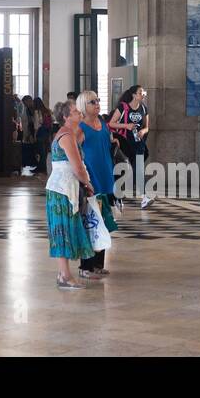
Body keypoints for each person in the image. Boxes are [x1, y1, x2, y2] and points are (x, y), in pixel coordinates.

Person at [44, 97, 95, 289]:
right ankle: (65, 276)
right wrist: (88, 183)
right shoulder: (66, 136)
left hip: (64, 188)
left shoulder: (69, 133)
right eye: (75, 112)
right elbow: (77, 167)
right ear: (66, 117)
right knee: (63, 230)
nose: (80, 114)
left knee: (65, 228)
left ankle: (63, 274)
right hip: (62, 190)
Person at [77, 91, 116, 280]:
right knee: (90, 223)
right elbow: (75, 154)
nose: (97, 104)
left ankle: (99, 265)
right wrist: (84, 180)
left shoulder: (103, 124)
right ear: (84, 106)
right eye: (93, 102)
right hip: (92, 181)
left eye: (98, 100)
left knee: (103, 223)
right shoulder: (81, 128)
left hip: (106, 178)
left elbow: (106, 145)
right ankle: (85, 266)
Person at [109, 85, 152, 207]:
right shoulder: (123, 107)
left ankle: (144, 196)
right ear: (134, 95)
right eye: (140, 92)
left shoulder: (143, 108)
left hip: (138, 143)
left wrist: (143, 131)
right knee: (122, 169)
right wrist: (126, 126)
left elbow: (147, 127)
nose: (143, 95)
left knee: (138, 168)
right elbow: (111, 123)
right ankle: (116, 196)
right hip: (124, 142)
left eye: (143, 92)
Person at [15, 94, 39, 176]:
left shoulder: (29, 110)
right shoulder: (24, 109)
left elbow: (29, 122)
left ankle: (29, 164)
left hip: (28, 132)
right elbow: (24, 121)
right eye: (29, 101)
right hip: (25, 132)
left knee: (29, 148)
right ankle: (27, 164)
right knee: (27, 148)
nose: (31, 102)